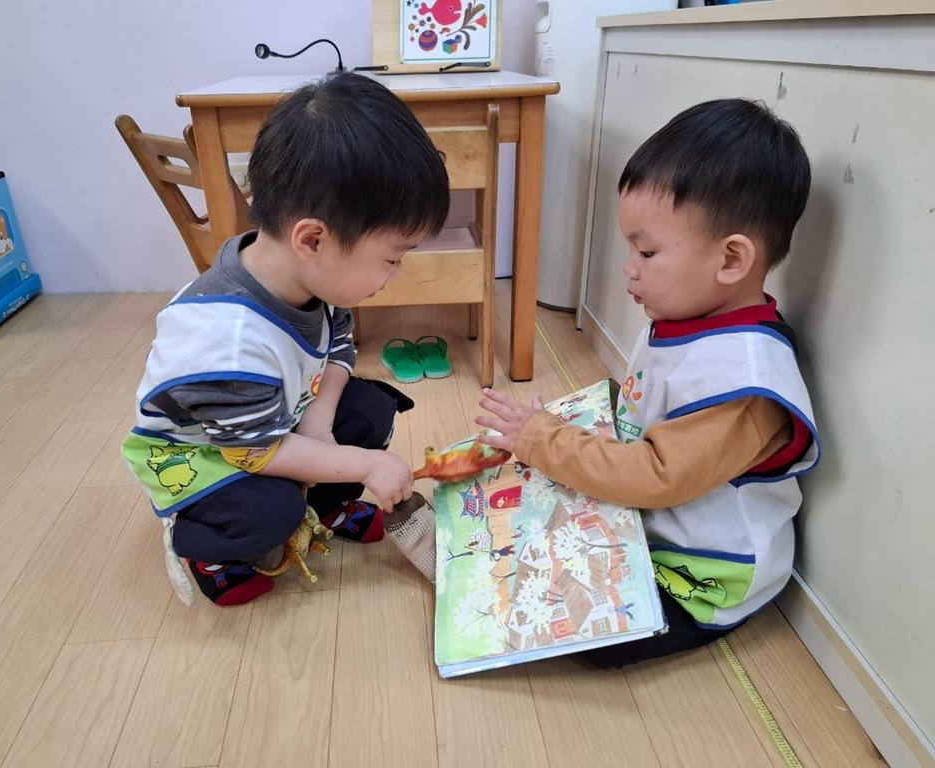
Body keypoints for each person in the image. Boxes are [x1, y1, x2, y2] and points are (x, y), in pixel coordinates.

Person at [476, 99, 820, 666]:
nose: (629, 267)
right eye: (630, 248)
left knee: (585, 634)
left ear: (731, 260)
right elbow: (648, 410)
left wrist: (543, 439)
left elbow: (655, 475)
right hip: (652, 520)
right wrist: (570, 432)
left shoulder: (744, 383)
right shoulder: (686, 318)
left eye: (648, 251)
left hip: (699, 579)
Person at [123, 72, 450, 605]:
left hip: (274, 420)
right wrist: (364, 465)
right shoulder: (227, 345)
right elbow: (253, 452)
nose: (396, 274)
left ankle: (326, 504)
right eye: (393, 258)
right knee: (270, 512)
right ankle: (205, 545)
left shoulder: (311, 277)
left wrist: (320, 425)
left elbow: (338, 347)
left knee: (370, 409)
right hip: (211, 455)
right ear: (313, 239)